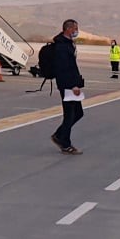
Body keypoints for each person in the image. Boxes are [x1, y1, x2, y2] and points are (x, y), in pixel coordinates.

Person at [45, 19, 86, 154]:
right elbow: (63, 69)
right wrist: (72, 85)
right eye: (75, 29)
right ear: (68, 29)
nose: (76, 31)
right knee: (69, 115)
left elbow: (72, 67)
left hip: (72, 84)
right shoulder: (62, 47)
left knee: (78, 113)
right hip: (67, 85)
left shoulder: (68, 44)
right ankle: (65, 144)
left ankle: (59, 135)